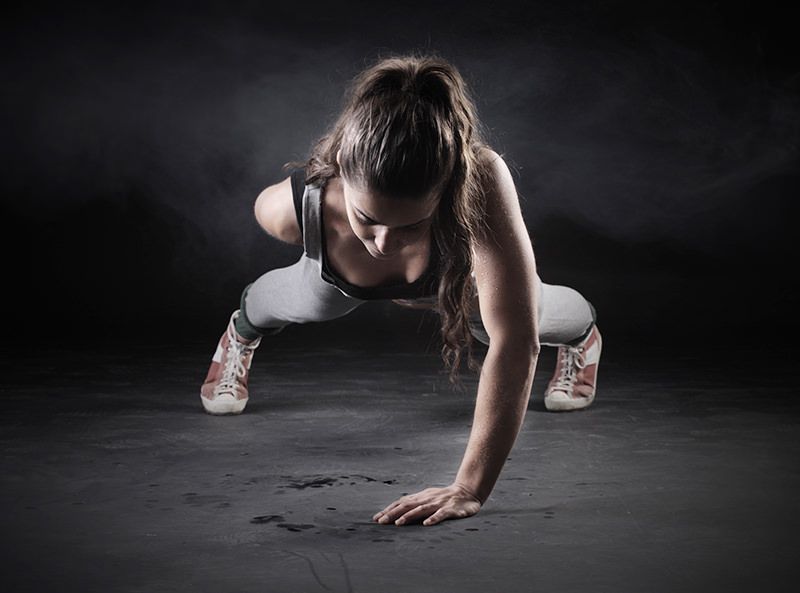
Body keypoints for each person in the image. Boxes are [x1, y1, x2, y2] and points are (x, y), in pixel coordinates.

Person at [200, 52, 602, 527]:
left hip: (460, 284)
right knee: (309, 300)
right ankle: (240, 332)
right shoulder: (302, 203)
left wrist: (470, 487)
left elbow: (517, 343)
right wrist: (322, 234)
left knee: (527, 313)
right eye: (368, 220)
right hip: (340, 276)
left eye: (412, 225)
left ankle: (584, 337)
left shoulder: (482, 179)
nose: (385, 243)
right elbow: (265, 211)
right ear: (343, 175)